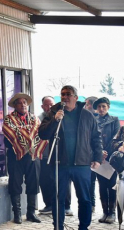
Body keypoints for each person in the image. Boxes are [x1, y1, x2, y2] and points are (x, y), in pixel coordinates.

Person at [39, 85, 102, 230]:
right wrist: (55, 120)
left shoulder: (87, 115)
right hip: (59, 164)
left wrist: (97, 158)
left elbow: (96, 138)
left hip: (82, 164)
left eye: (68, 94)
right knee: (58, 199)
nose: (65, 97)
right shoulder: (54, 112)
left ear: (76, 97)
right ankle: (58, 226)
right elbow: (42, 134)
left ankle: (83, 227)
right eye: (62, 95)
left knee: (85, 199)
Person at [3, 93, 48, 224]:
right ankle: (17, 214)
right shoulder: (8, 119)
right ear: (15, 106)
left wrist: (23, 132)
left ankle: (31, 212)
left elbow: (38, 133)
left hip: (33, 155)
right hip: (15, 156)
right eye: (20, 103)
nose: (23, 105)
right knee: (15, 184)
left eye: (25, 103)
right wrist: (28, 134)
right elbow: (11, 133)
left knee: (33, 183)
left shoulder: (34, 118)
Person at [93, 97, 120, 224]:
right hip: (99, 159)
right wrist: (99, 153)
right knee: (102, 185)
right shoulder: (94, 120)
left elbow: (116, 138)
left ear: (108, 107)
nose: (101, 109)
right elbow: (92, 138)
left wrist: (105, 152)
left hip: (111, 158)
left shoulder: (114, 120)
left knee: (112, 185)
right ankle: (105, 211)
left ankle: (112, 212)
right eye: (99, 107)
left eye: (104, 106)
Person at [38, 96, 55, 215]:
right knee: (44, 181)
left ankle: (65, 205)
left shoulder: (60, 117)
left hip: (58, 156)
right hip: (43, 155)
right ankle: (48, 204)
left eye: (51, 105)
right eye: (46, 105)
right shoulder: (38, 119)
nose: (49, 107)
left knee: (59, 181)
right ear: (42, 106)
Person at [84, 96, 98, 212]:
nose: (85, 107)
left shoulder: (109, 120)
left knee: (106, 186)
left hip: (104, 158)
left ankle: (109, 211)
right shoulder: (85, 118)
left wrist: (101, 153)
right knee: (90, 182)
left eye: (86, 104)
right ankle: (91, 205)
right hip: (89, 156)